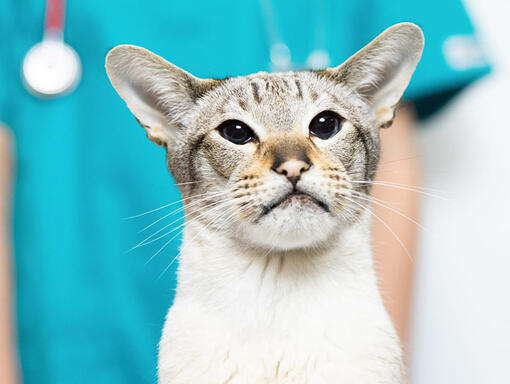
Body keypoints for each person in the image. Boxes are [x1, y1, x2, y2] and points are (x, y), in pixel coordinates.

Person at [0, 0, 490, 383]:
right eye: (237, 132)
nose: (292, 164)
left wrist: (381, 364)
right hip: (79, 324)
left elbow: (385, 146)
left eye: (323, 124)